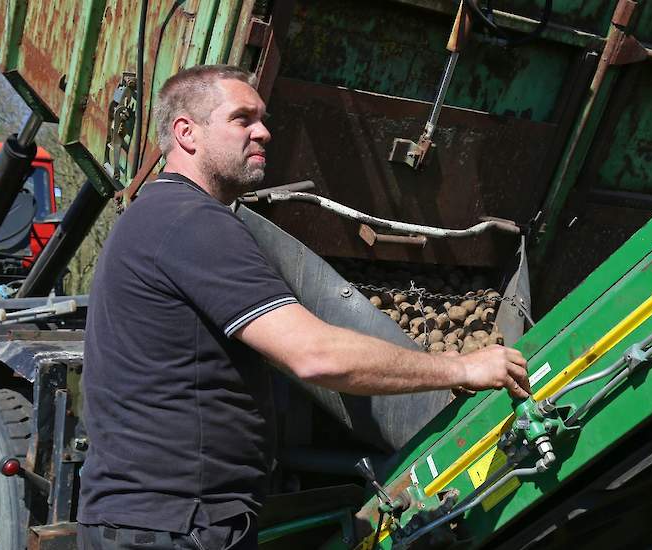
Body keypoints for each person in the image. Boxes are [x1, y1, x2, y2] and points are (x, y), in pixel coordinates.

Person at [77, 64, 531, 550]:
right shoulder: (191, 222)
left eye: (263, 118)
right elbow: (314, 355)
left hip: (161, 520)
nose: (264, 132)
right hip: (170, 528)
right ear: (186, 133)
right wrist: (459, 367)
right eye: (242, 119)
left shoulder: (159, 215)